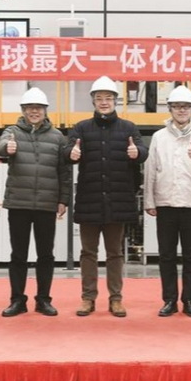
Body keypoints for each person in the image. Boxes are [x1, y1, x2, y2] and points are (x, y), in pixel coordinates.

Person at [63, 75, 148, 317]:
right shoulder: (81, 128)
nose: (103, 102)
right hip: (89, 200)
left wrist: (137, 152)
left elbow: (143, 150)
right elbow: (66, 150)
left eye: (108, 98)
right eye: (99, 98)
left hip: (117, 200)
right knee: (88, 253)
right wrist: (71, 153)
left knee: (115, 253)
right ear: (93, 101)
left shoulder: (128, 128)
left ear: (115, 101)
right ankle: (88, 298)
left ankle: (116, 299)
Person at [0, 87, 72, 317]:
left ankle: (43, 300)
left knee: (46, 255)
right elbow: (2, 146)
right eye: (30, 108)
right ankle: (17, 300)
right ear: (23, 110)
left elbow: (64, 171)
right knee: (18, 255)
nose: (34, 112)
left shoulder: (57, 137)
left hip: (46, 204)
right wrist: (6, 148)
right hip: (19, 203)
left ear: (45, 110)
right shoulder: (12, 132)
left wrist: (63, 199)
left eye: (38, 108)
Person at [143, 85, 191, 318]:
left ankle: (189, 300)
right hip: (165, 204)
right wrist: (149, 200)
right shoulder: (159, 137)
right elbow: (151, 169)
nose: (182, 110)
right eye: (177, 106)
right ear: (170, 109)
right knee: (166, 255)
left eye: (186, 106)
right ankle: (169, 300)